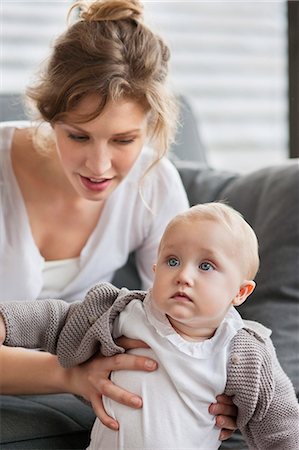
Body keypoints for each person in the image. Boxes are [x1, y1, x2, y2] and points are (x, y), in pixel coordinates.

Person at [0, 0, 237, 446]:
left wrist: (216, 388)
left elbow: (182, 317)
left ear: (151, 126)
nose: (100, 165)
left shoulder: (154, 184)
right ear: (49, 117)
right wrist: (73, 376)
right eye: (78, 135)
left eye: (124, 139)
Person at [1, 203, 298, 450]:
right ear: (155, 271)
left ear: (240, 292)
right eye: (172, 261)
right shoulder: (125, 312)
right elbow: (56, 318)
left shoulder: (244, 353)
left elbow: (281, 428)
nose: (183, 275)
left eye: (205, 266)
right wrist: (5, 322)